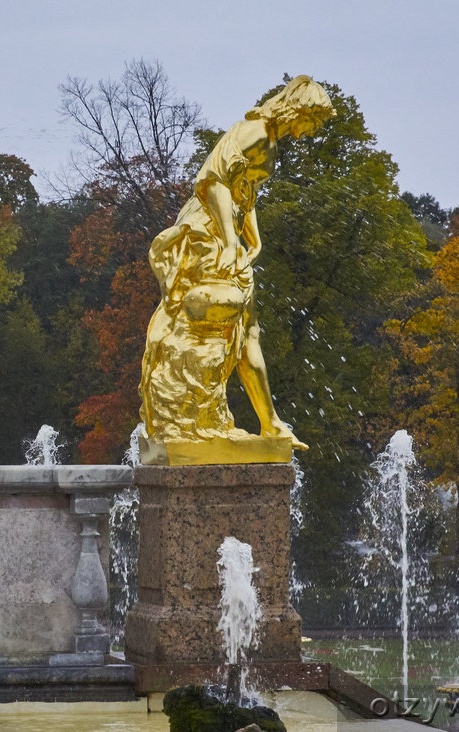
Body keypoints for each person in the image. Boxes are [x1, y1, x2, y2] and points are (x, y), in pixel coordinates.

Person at [140, 76, 333, 452]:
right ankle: (192, 419)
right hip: (206, 231)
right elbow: (213, 181)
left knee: (248, 331)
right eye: (314, 120)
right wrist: (230, 241)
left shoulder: (268, 136)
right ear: (301, 109)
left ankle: (269, 423)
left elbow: (245, 193)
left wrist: (251, 236)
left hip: (225, 231)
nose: (313, 130)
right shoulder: (257, 132)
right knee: (219, 321)